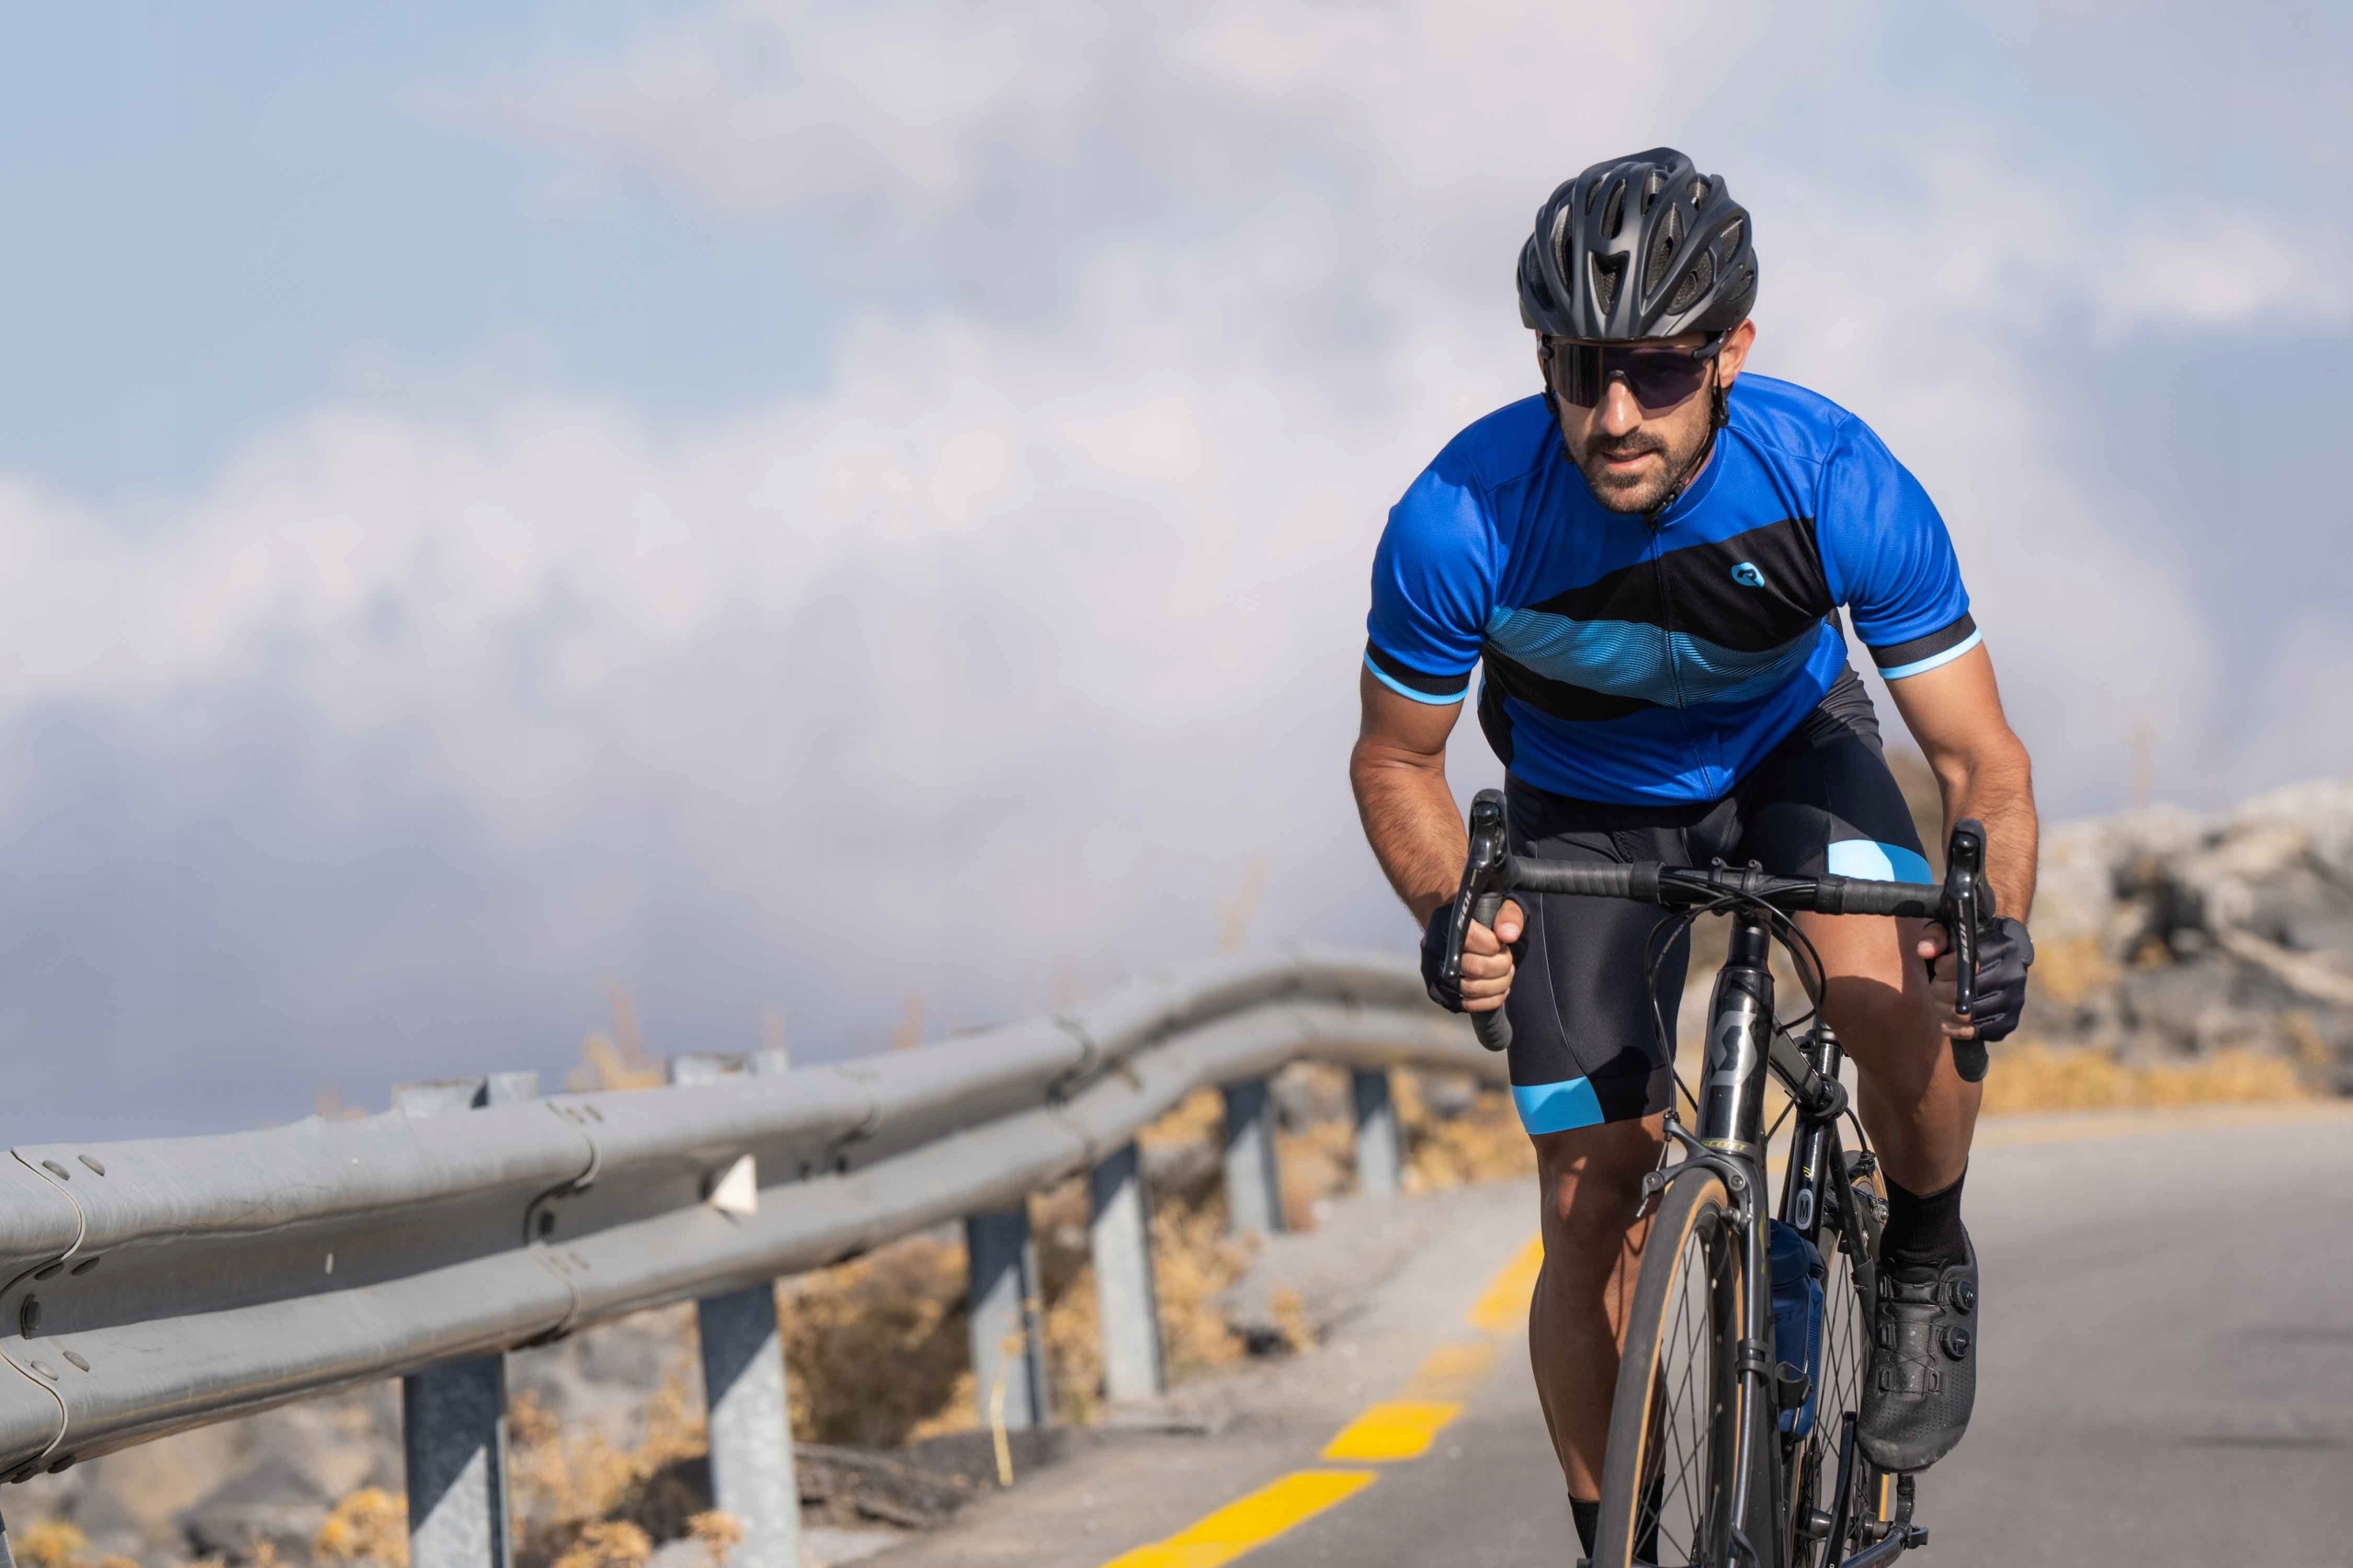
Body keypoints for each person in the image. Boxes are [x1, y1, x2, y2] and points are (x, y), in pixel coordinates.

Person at [1347, 148, 2038, 1558]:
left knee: (1891, 1000)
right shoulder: (1456, 518)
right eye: (1580, 369)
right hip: (1580, 799)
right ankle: (1616, 1535)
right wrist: (1448, 907)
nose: (1614, 415)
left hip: (1790, 755)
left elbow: (1983, 764)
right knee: (1588, 1186)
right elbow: (1397, 760)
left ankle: (1921, 1246)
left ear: (1731, 351)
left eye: (1657, 372)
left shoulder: (1833, 478)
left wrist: (1993, 923)